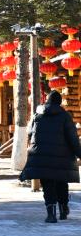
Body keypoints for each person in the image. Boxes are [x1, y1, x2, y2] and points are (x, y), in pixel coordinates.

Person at [20, 91, 81, 223]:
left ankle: (51, 214)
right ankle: (63, 209)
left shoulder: (37, 115)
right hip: (62, 157)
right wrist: (79, 152)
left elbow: (30, 132)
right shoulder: (65, 116)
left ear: (47, 101)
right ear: (59, 102)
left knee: (47, 185)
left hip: (41, 156)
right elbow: (73, 138)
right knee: (61, 183)